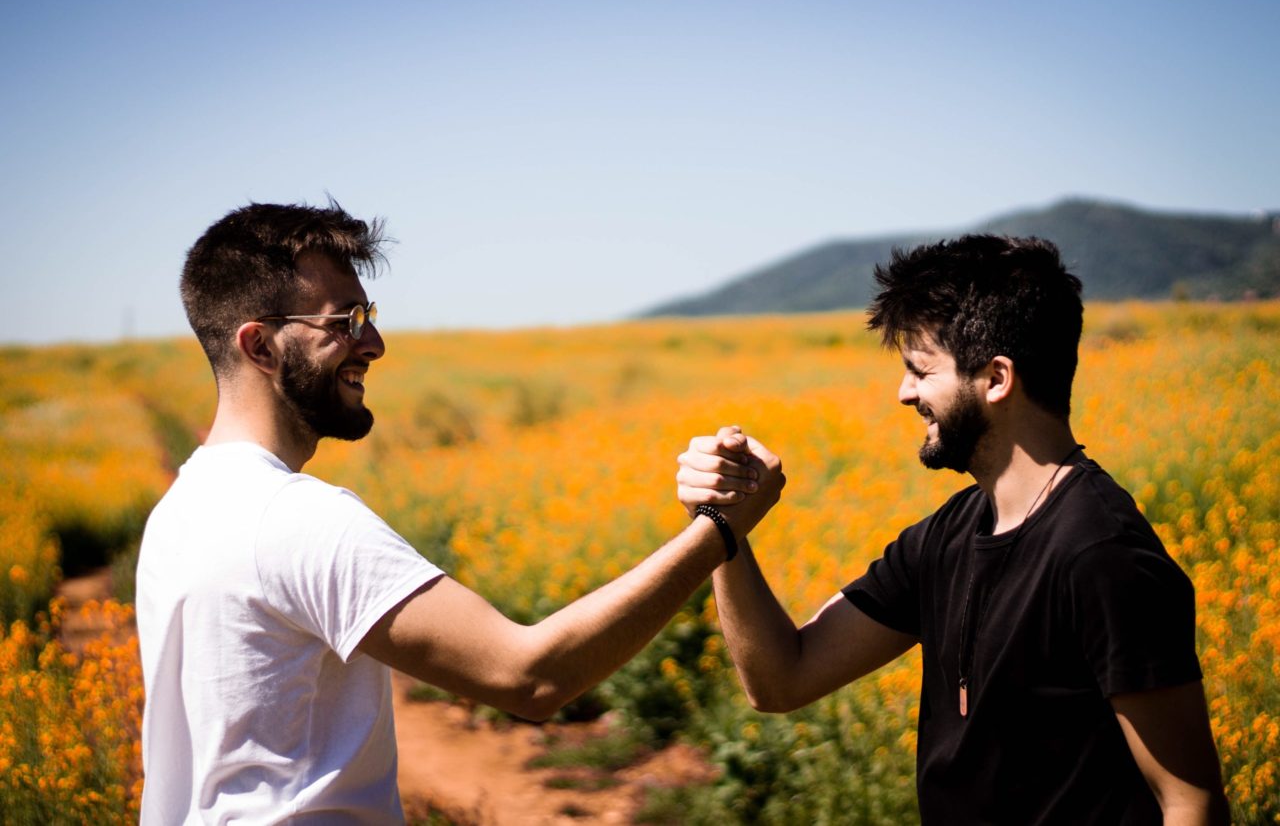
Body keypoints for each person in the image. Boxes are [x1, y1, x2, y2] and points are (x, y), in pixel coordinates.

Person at [135, 201, 784, 822]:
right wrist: (721, 531)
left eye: (369, 314)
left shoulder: (182, 510)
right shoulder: (295, 518)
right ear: (260, 347)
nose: (375, 343)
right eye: (343, 322)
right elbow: (529, 677)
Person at [677, 235, 1229, 824]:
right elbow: (781, 680)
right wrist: (723, 528)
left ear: (996, 379)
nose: (904, 393)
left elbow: (1189, 801)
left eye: (920, 370)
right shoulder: (947, 535)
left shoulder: (1102, 555)